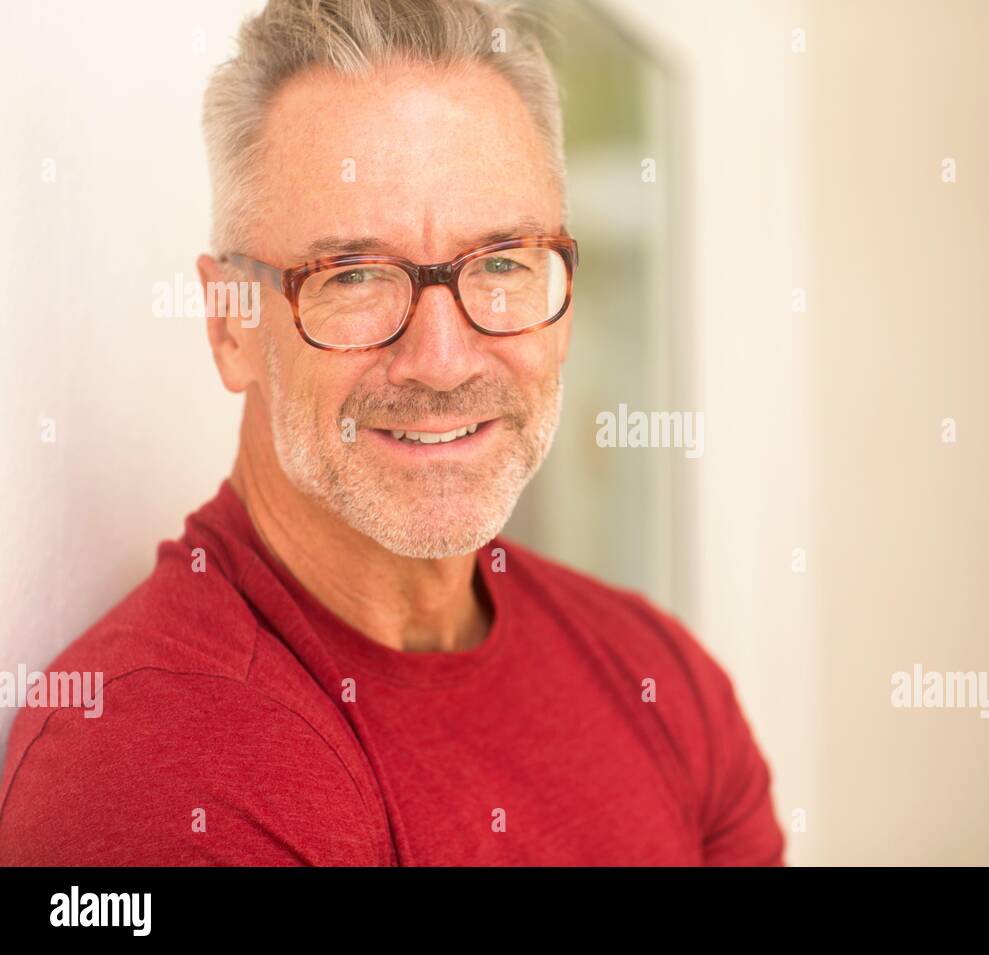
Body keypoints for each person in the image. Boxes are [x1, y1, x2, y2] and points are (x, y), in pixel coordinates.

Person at [0, 0, 784, 866]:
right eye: (355, 275)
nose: (442, 361)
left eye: (500, 264)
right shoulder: (156, 765)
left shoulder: (664, 682)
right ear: (229, 322)